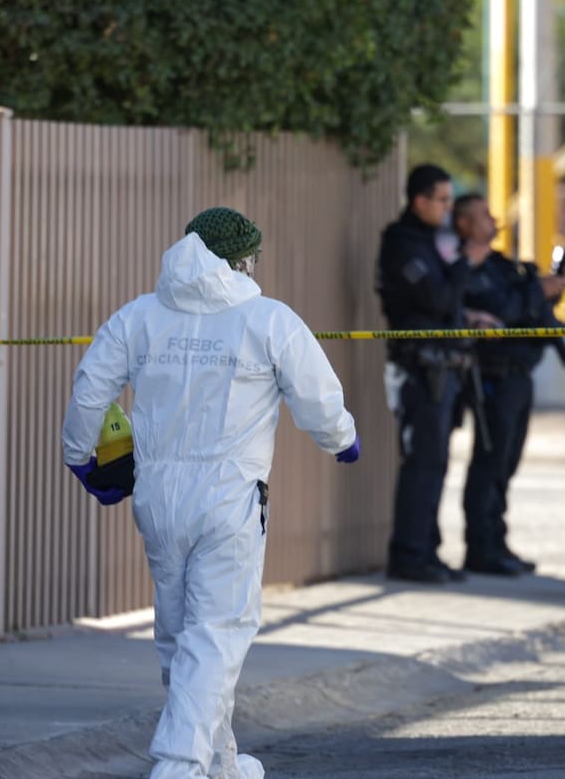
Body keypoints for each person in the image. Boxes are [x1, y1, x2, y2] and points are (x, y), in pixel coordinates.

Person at [62, 207, 360, 779]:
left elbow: (89, 390)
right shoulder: (268, 319)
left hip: (157, 494)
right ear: (243, 259)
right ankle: (177, 765)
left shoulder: (139, 317)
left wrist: (81, 457)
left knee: (180, 636)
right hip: (228, 496)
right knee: (218, 635)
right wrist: (342, 440)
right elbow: (319, 399)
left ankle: (219, 764)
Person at [376, 164, 496, 584]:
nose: (447, 209)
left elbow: (445, 304)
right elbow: (439, 296)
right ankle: (408, 555)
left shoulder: (428, 241)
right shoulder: (402, 243)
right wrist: (469, 262)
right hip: (418, 369)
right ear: (420, 201)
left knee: (436, 463)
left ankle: (426, 550)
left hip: (441, 369)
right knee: (423, 464)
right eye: (442, 200)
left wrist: (470, 316)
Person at [452, 193, 565, 576]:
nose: (493, 220)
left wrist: (550, 287)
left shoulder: (501, 265)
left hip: (519, 374)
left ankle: (497, 541)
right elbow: (503, 311)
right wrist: (539, 291)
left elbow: (525, 304)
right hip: (492, 375)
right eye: (483, 215)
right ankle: (481, 547)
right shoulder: (466, 267)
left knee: (507, 462)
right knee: (490, 460)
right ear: (465, 224)